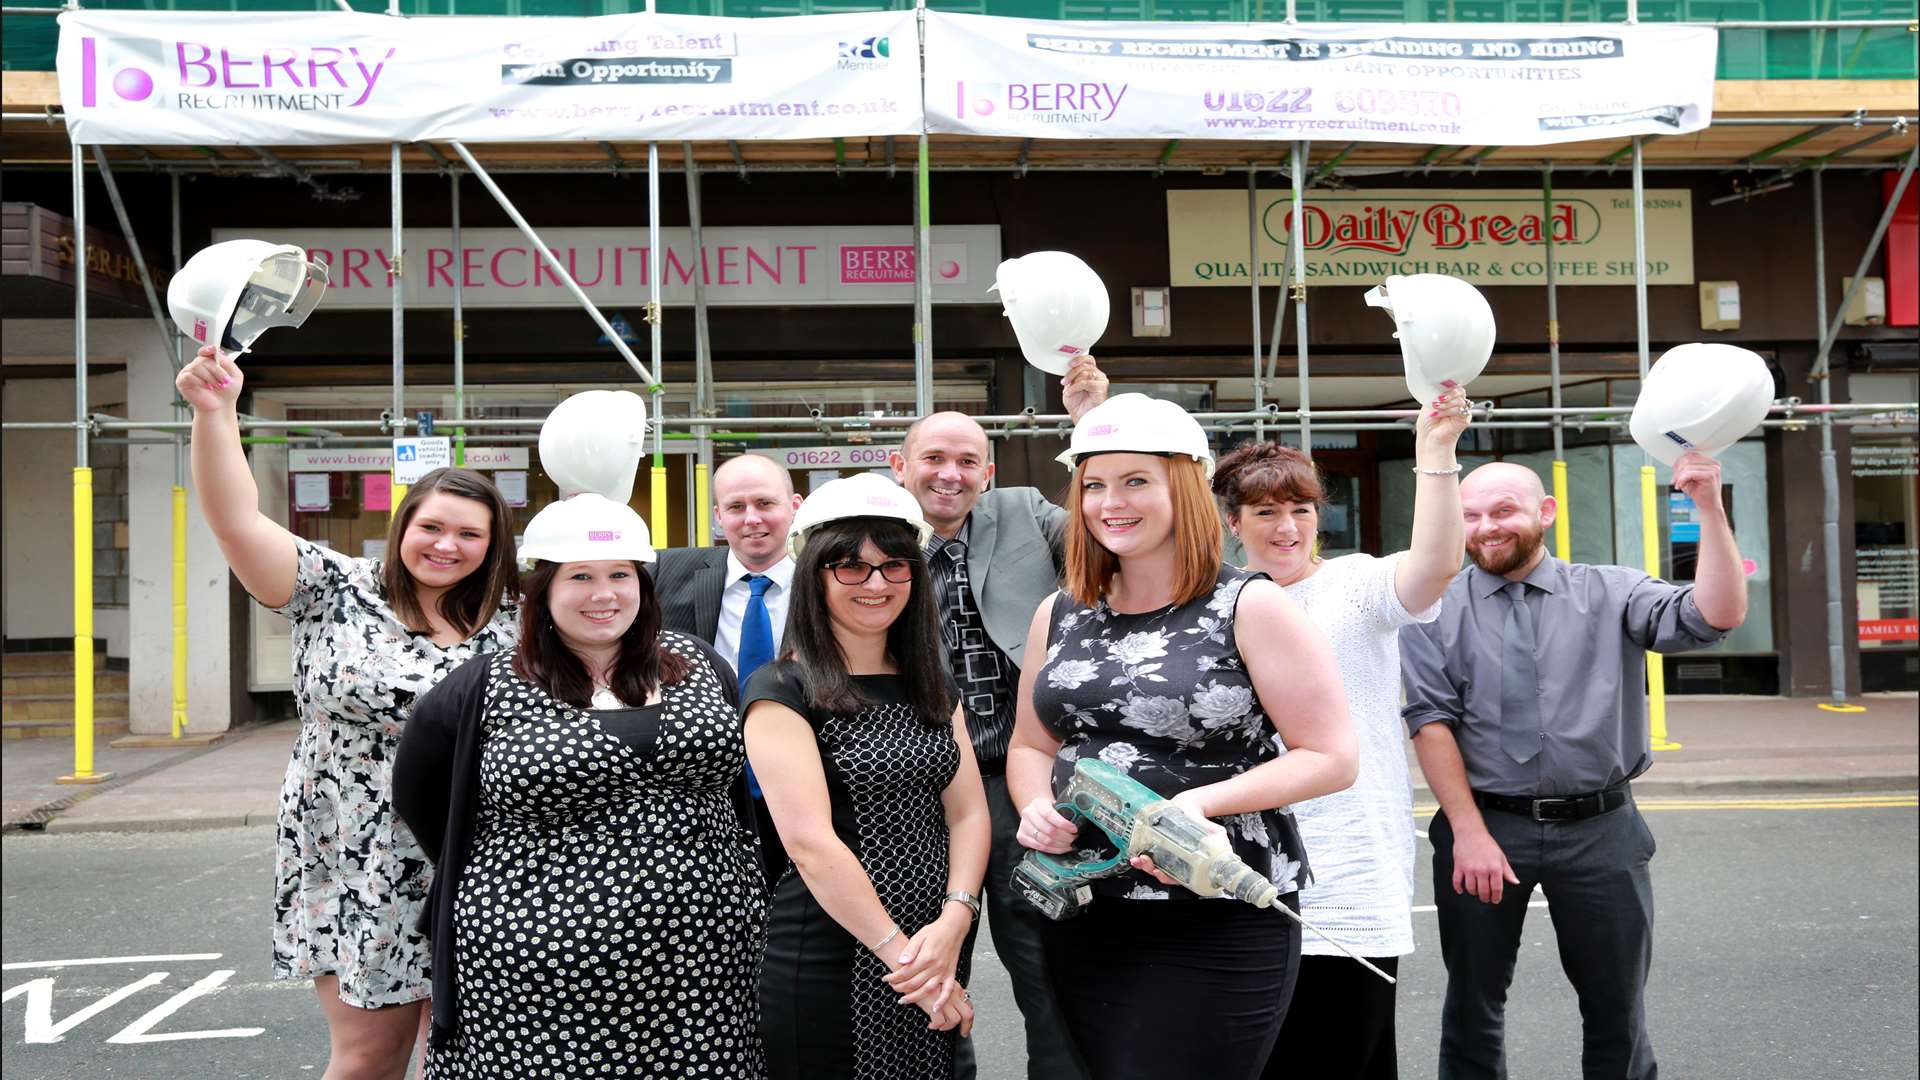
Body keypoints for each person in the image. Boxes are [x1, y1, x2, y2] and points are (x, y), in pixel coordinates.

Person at [174, 345, 520, 1080]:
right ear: (403, 527)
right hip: (356, 852)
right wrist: (215, 413)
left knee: (478, 1055)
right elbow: (236, 520)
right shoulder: (335, 587)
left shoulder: (515, 619)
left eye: (469, 534)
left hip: (481, 849)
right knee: (370, 1056)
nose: (446, 545)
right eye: (432, 527)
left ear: (492, 549)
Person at [1008, 393, 1357, 1080]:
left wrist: (1198, 806)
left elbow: (1332, 757)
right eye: (1095, 484)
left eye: (1137, 480)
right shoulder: (1061, 611)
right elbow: (1030, 745)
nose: (1113, 502)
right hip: (1088, 913)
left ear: (1186, 487)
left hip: (1216, 911)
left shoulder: (1249, 605)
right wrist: (1033, 809)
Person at [393, 492, 765, 1077]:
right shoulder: (485, 686)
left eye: (621, 574)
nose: (605, 593)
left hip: (710, 959)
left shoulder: (697, 664)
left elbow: (739, 788)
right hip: (537, 971)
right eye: (581, 577)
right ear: (543, 591)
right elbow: (420, 793)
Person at [1401, 455, 1749, 1080]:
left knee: (1617, 1010)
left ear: (1546, 513)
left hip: (1601, 830)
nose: (1486, 528)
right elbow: (1431, 721)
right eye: (1471, 515)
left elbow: (1712, 616)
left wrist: (1709, 509)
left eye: (1503, 510)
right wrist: (1469, 833)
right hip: (1484, 825)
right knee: (1472, 1007)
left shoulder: (1612, 590)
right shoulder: (1432, 607)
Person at [1214, 385, 1471, 1080]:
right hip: (1245, 870)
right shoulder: (1215, 600)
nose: (1287, 527)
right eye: (1266, 512)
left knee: (1351, 1057)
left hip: (1349, 870)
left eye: (1300, 509)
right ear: (1234, 520)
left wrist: (1436, 451)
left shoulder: (1355, 584)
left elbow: (1436, 565)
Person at [886, 354, 1107, 1079]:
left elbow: (1104, 538)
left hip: (1023, 782)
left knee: (1049, 976)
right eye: (933, 458)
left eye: (967, 461)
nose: (949, 474)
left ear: (987, 472)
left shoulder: (1024, 512)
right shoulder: (875, 540)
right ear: (900, 465)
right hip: (920, 790)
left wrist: (1091, 424)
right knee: (924, 979)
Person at [744, 473, 990, 1080]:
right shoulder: (781, 690)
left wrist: (956, 920)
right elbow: (809, 843)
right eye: (851, 567)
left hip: (936, 943)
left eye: (894, 566)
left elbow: (968, 812)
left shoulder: (930, 683)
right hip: (836, 956)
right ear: (814, 575)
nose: (877, 584)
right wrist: (907, 960)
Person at [654, 452, 806, 885]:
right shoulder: (669, 571)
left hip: (803, 778)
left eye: (765, 504)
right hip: (704, 787)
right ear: (718, 516)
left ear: (794, 507)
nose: (751, 519)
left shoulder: (828, 579)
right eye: (736, 508)